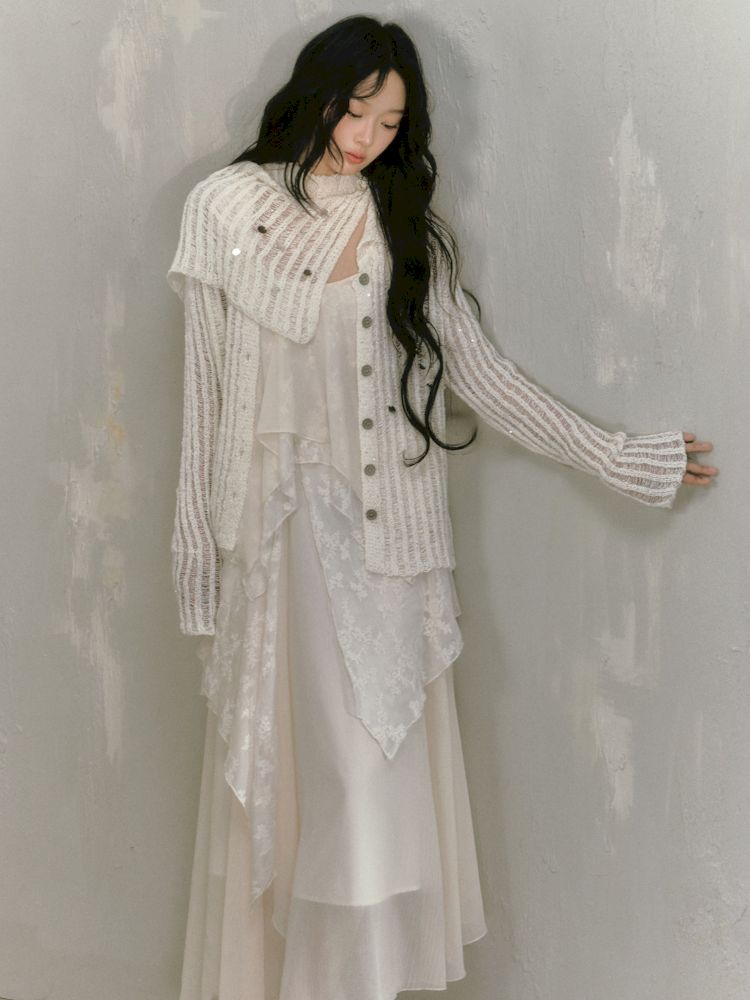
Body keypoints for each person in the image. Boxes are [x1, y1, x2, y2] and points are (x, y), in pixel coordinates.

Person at [165, 14, 718, 1000]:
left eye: (390, 124)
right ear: (316, 91)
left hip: (383, 553)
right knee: (292, 785)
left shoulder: (400, 229)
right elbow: (203, 404)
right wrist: (198, 557)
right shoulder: (224, 208)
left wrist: (621, 456)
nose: (365, 138)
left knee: (366, 783)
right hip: (275, 546)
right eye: (355, 110)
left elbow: (483, 378)